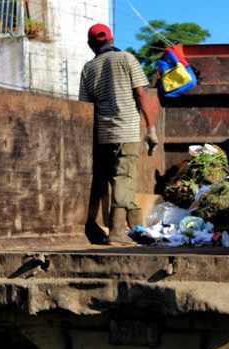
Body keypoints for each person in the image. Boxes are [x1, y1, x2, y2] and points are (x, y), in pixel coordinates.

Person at [79, 23, 159, 246]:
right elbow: (142, 95)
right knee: (124, 179)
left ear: (90, 45)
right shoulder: (126, 58)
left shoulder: (88, 68)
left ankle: (134, 228)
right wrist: (151, 129)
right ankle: (116, 233)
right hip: (127, 131)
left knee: (109, 181)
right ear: (112, 40)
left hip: (102, 134)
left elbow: (85, 106)